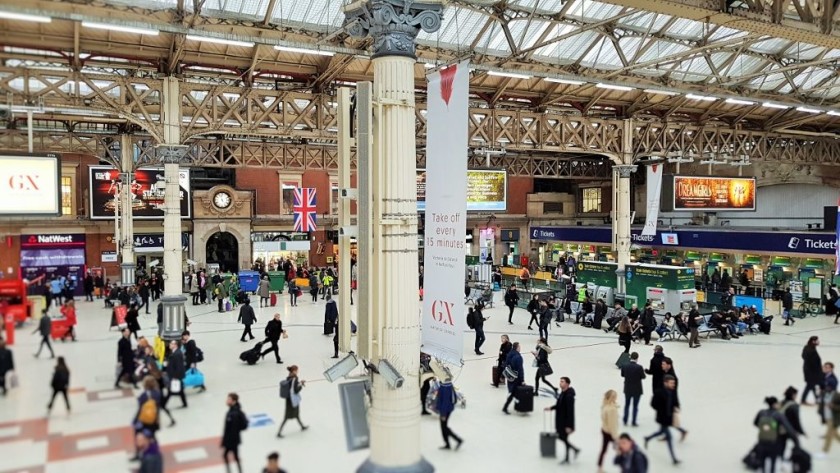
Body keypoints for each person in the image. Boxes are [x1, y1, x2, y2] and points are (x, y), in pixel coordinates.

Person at [754, 396, 798, 471]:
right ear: (774, 404)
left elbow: (755, 423)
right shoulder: (778, 415)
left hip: (762, 442)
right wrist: (796, 441)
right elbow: (789, 429)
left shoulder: (761, 412)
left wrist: (766, 429)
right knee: (773, 463)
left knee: (763, 463)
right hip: (774, 443)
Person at [643, 375, 680, 465]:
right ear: (665, 383)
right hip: (662, 417)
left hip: (669, 417)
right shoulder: (659, 392)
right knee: (669, 437)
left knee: (660, 432)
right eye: (671, 383)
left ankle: (647, 438)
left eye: (674, 383)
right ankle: (674, 458)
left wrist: (676, 407)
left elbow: (675, 401)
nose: (673, 385)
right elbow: (653, 404)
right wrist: (661, 409)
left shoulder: (672, 392)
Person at [546, 376, 579, 464]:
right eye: (560, 381)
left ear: (567, 384)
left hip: (565, 422)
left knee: (563, 437)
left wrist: (569, 426)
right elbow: (559, 405)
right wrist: (551, 408)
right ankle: (574, 451)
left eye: (562, 382)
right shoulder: (563, 393)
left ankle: (568, 456)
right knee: (562, 437)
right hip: (560, 420)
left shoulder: (569, 396)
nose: (560, 383)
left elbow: (570, 412)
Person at [132, 376, 162, 461]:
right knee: (152, 436)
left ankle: (139, 453)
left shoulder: (144, 395)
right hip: (154, 420)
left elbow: (140, 409)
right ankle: (155, 451)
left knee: (139, 436)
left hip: (144, 420)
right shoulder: (157, 393)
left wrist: (135, 420)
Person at [222, 392, 249, 473]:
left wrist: (228, 441)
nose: (227, 401)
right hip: (232, 439)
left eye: (229, 399)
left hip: (232, 440)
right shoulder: (232, 411)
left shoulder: (234, 414)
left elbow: (233, 429)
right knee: (232, 456)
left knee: (231, 456)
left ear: (234, 401)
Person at [278, 365, 308, 437]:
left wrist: (299, 383)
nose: (297, 371)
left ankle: (302, 426)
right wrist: (301, 385)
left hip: (289, 399)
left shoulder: (289, 376)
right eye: (297, 370)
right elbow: (295, 390)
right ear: (294, 371)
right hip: (292, 400)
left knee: (296, 414)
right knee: (287, 417)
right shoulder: (294, 378)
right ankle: (279, 432)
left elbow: (292, 386)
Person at [436, 378, 463, 450]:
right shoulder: (448, 384)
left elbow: (445, 402)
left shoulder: (445, 387)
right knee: (443, 427)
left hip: (445, 410)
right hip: (448, 408)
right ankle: (447, 444)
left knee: (444, 427)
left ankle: (458, 440)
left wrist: (443, 414)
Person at [621, 352, 646, 427]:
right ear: (637, 358)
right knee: (635, 406)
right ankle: (634, 421)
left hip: (627, 388)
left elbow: (622, 375)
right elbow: (643, 377)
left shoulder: (625, 365)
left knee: (627, 405)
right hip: (637, 389)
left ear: (630, 357)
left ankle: (625, 420)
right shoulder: (639, 367)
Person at [779, 386, 805, 459]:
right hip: (791, 429)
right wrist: (801, 431)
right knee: (796, 443)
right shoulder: (794, 406)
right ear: (793, 395)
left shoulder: (781, 403)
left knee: (782, 444)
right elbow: (797, 420)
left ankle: (781, 457)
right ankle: (795, 458)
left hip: (781, 428)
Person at [598, 390, 620, 473]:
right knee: (621, 450)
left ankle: (599, 467)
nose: (615, 398)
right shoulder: (611, 410)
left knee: (604, 450)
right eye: (614, 397)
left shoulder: (605, 405)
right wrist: (616, 437)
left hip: (604, 429)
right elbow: (612, 425)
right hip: (610, 432)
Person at [164, 340, 187, 410]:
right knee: (180, 390)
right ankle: (185, 403)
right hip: (176, 375)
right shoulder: (176, 352)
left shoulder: (176, 354)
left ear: (175, 345)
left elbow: (178, 366)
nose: (170, 345)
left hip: (176, 375)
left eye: (171, 344)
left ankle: (163, 404)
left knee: (171, 391)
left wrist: (175, 377)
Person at [502, 342, 524, 414]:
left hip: (509, 375)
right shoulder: (518, 357)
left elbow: (505, 363)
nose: (520, 348)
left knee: (513, 392)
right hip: (516, 377)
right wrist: (522, 379)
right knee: (515, 392)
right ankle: (507, 407)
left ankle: (516, 406)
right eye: (519, 347)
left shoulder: (509, 354)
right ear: (517, 348)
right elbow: (520, 369)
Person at [801, 336, 823, 405]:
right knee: (810, 385)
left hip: (807, 370)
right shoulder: (812, 350)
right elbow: (814, 364)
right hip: (811, 372)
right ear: (813, 341)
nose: (818, 342)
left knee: (811, 385)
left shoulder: (807, 347)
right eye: (817, 341)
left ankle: (817, 399)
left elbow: (803, 356)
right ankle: (803, 400)